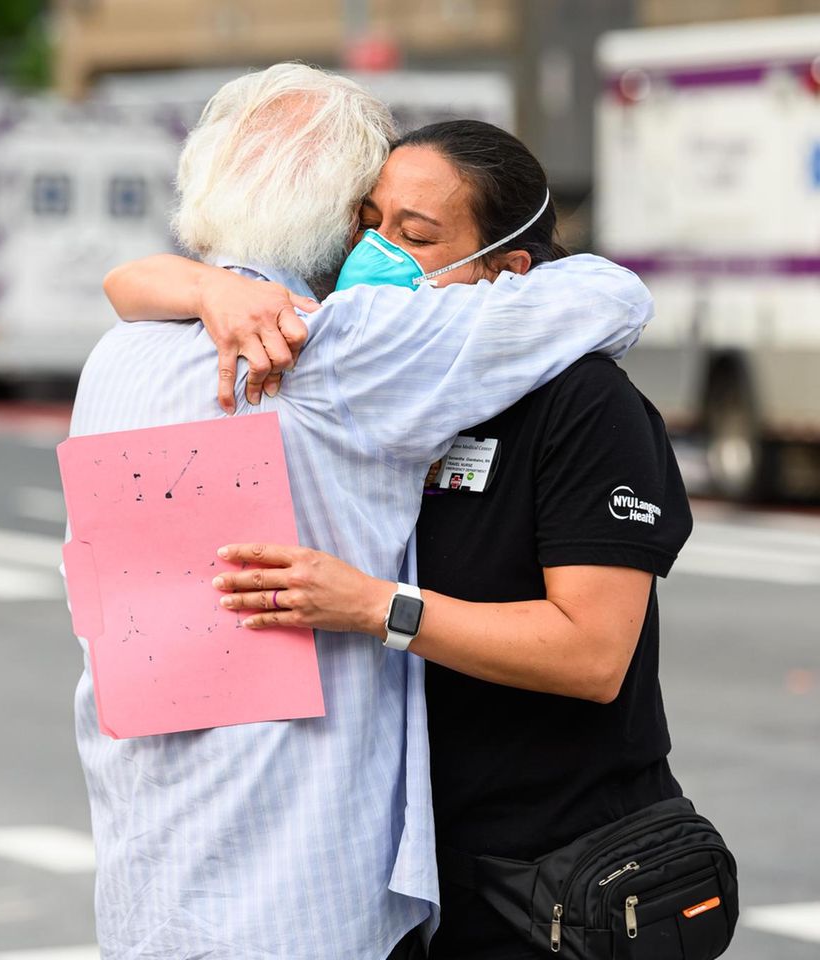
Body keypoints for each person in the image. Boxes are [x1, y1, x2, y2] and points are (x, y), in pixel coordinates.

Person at [78, 65, 652, 960]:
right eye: (369, 218)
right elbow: (611, 295)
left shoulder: (118, 359)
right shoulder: (334, 349)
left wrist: (197, 286)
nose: (375, 247)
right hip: (293, 888)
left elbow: (124, 284)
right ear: (336, 216)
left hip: (152, 869)